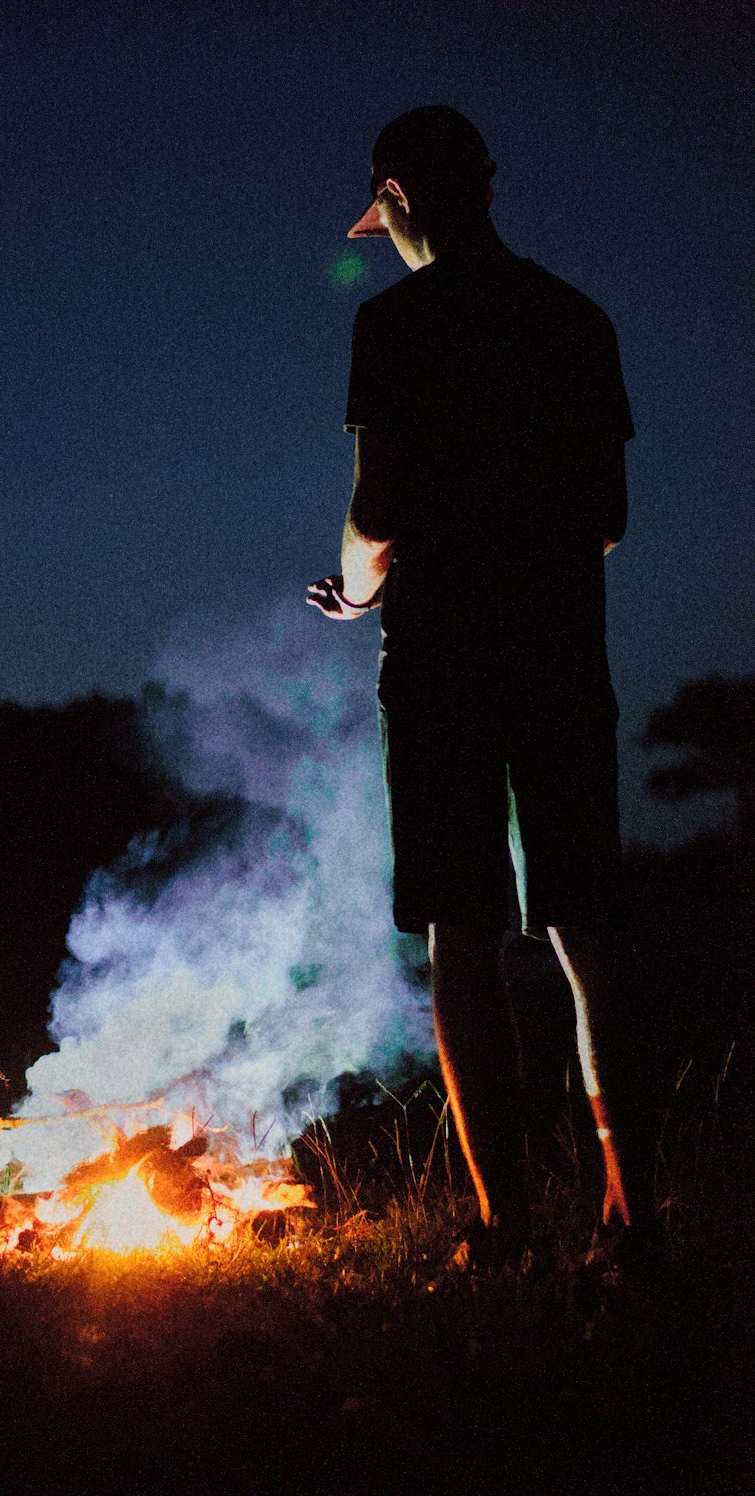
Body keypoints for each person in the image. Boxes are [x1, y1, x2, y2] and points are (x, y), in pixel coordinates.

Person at [307, 106, 651, 1259]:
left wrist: (355, 590)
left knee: (461, 927)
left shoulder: (395, 324)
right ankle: (632, 1213)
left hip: (443, 657)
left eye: (384, 217)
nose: (386, 237)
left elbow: (375, 510)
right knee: (588, 927)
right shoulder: (575, 319)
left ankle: (503, 1223)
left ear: (400, 196)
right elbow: (605, 516)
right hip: (561, 650)